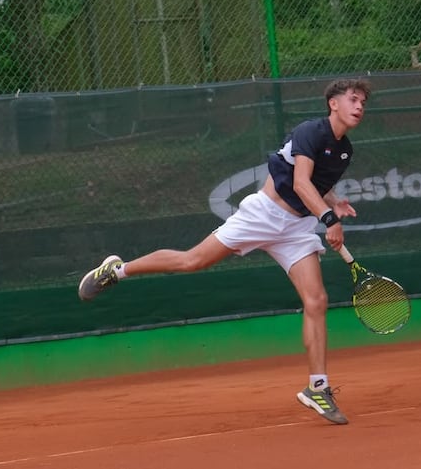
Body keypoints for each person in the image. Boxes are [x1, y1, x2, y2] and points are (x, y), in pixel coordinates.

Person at [78, 78, 371, 425]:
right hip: (263, 214)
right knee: (192, 261)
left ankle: (317, 388)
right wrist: (328, 219)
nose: (359, 107)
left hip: (295, 229)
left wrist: (333, 202)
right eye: (353, 99)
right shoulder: (311, 131)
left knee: (316, 301)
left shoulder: (344, 150)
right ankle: (117, 269)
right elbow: (299, 182)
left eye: (363, 103)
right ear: (333, 103)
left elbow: (320, 185)